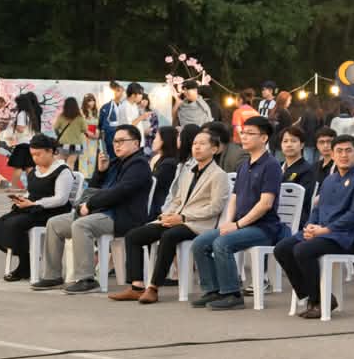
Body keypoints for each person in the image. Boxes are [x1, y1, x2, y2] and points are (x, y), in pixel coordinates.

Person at [112, 127, 229, 301]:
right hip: (176, 218)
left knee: (169, 236)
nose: (197, 147)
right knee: (134, 235)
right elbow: (177, 199)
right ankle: (137, 286)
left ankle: (153, 288)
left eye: (202, 144)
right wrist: (166, 215)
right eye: (195, 144)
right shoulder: (189, 172)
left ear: (214, 149)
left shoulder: (219, 175)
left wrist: (183, 218)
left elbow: (215, 207)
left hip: (198, 224)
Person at [272, 135, 354, 318]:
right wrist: (309, 227)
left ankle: (318, 301)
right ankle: (318, 296)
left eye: (348, 151)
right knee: (282, 249)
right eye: (339, 151)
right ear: (333, 154)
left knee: (302, 250)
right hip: (322, 233)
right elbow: (317, 209)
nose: (344, 155)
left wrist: (325, 230)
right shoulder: (330, 180)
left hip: (346, 237)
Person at [37, 125, 151, 294]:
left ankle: (86, 279)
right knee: (54, 224)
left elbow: (120, 192)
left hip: (121, 216)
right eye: (115, 141)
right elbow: (93, 188)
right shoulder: (115, 163)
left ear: (135, 143)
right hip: (102, 212)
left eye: (122, 141)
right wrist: (100, 171)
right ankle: (52, 276)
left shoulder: (139, 165)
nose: (117, 145)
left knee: (81, 225)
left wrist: (90, 205)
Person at [188, 116, 285, 309]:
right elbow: (234, 198)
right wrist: (229, 222)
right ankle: (214, 290)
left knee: (221, 243)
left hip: (264, 228)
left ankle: (232, 294)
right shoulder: (244, 165)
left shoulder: (271, 165)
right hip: (241, 225)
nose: (244, 136)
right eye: (243, 132)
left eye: (250, 133)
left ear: (264, 138)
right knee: (200, 243)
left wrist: (238, 225)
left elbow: (265, 204)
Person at [0, 134, 74, 281]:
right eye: (32, 155)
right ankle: (26, 258)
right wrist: (23, 199)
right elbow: (31, 192)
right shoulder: (35, 170)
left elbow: (60, 199)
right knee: (2, 223)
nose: (35, 158)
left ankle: (25, 264)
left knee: (16, 224)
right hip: (33, 208)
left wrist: (35, 204)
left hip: (53, 211)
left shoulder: (62, 170)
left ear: (50, 151)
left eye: (38, 154)